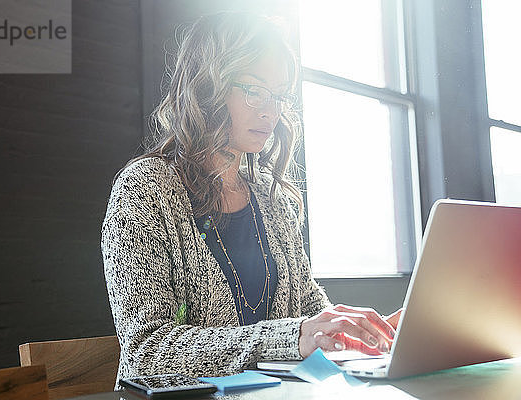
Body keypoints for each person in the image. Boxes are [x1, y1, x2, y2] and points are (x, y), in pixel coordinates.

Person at [101, 12, 399, 388]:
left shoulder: (272, 200)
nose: (270, 111)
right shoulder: (145, 190)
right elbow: (146, 351)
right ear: (207, 85)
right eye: (254, 90)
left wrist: (370, 333)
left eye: (278, 96)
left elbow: (308, 313)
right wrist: (292, 337)